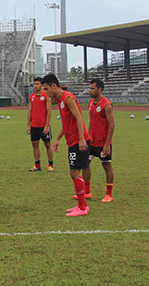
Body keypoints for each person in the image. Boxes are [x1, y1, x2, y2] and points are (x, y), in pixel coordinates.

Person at [43, 74, 92, 217]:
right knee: (73, 172)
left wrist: (82, 138)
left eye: (47, 89)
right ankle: (81, 205)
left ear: (54, 86)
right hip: (72, 141)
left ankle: (83, 207)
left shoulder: (68, 98)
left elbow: (78, 117)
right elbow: (67, 122)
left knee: (75, 172)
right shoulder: (60, 101)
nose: (46, 92)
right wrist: (57, 139)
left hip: (78, 141)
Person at [80, 79, 115, 203]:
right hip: (92, 141)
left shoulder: (106, 104)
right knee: (85, 164)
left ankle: (109, 194)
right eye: (89, 88)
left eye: (92, 88)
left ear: (99, 89)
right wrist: (87, 136)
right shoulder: (90, 103)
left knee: (106, 165)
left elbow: (111, 124)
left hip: (103, 142)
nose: (90, 90)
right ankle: (87, 192)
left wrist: (107, 144)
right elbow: (91, 121)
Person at [26, 77, 54, 172]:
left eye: (37, 84)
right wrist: (28, 125)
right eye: (34, 84)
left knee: (47, 144)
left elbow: (49, 111)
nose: (35, 86)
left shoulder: (46, 96)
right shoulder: (32, 97)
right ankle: (37, 165)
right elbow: (30, 111)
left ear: (41, 85)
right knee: (35, 144)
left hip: (43, 125)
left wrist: (46, 126)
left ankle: (50, 165)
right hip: (34, 125)